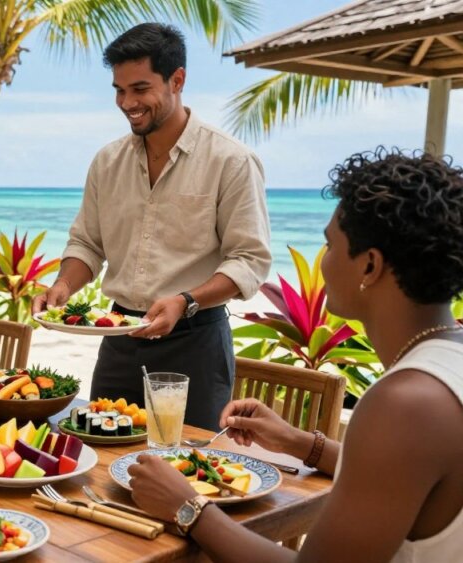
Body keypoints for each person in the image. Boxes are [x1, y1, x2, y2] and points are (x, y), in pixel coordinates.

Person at [128, 149, 463, 562]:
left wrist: (189, 507)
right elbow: (404, 473)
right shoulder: (449, 362)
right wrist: (298, 443)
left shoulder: (406, 403)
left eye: (328, 245)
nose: (322, 262)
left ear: (370, 266)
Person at [32, 23, 271, 430]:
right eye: (119, 90)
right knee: (99, 458)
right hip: (119, 343)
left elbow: (249, 260)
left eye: (140, 89)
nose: (127, 102)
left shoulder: (230, 161)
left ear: (177, 80)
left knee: (187, 466)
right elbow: (88, 244)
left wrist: (186, 300)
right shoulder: (107, 162)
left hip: (195, 343)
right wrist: (63, 285)